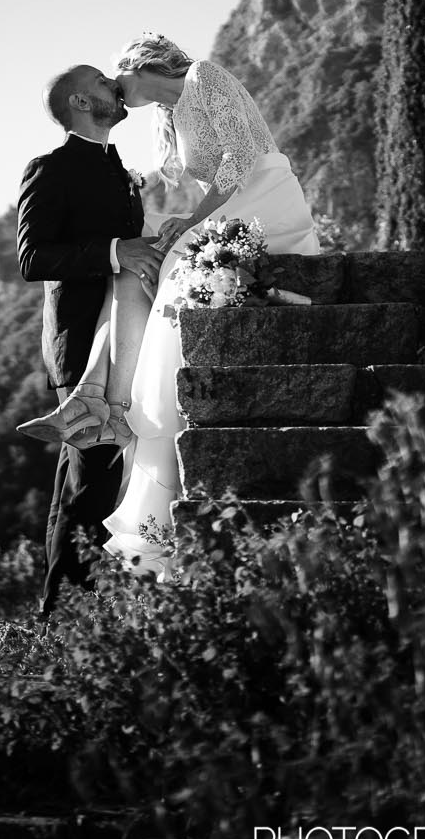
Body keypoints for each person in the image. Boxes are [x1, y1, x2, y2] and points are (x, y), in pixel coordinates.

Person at [101, 33, 320, 576]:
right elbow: (168, 174)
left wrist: (194, 220)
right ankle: (162, 426)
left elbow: (240, 156)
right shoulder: (163, 117)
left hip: (263, 194)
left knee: (179, 269)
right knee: (169, 267)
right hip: (224, 207)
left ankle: (141, 403)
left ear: (137, 67)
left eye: (116, 82)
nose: (114, 93)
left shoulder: (205, 77)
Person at [14, 64, 164, 613]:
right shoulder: (50, 169)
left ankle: (57, 616)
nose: (115, 87)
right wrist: (114, 251)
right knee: (93, 486)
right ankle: (73, 621)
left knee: (76, 486)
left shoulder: (119, 168)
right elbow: (33, 258)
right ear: (81, 101)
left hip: (119, 341)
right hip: (79, 344)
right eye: (104, 82)